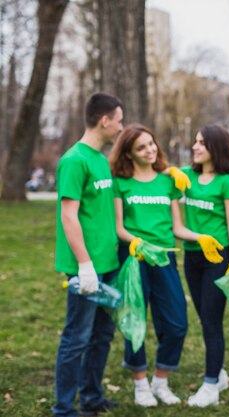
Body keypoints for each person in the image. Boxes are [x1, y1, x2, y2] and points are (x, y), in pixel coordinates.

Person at [108, 123, 224, 408]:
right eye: (140, 147)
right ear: (128, 154)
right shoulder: (120, 182)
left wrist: (201, 237)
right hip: (134, 259)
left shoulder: (168, 181)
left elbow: (177, 227)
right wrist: (134, 242)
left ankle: (160, 381)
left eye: (151, 144)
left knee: (176, 323)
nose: (149, 150)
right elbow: (119, 227)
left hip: (164, 258)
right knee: (134, 322)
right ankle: (140, 386)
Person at [53, 92, 124, 417]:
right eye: (119, 121)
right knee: (76, 338)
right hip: (85, 269)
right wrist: (84, 265)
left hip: (108, 265)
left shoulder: (100, 160)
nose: (120, 128)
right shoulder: (74, 160)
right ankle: (64, 409)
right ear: (104, 120)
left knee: (101, 337)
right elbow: (69, 216)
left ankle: (92, 397)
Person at [180, 125, 229, 407]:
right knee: (204, 318)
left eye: (201, 143)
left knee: (212, 320)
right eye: (195, 141)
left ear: (215, 147)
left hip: (218, 258)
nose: (195, 147)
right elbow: (163, 175)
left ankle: (210, 387)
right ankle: (220, 373)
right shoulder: (187, 176)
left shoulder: (227, 182)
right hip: (191, 256)